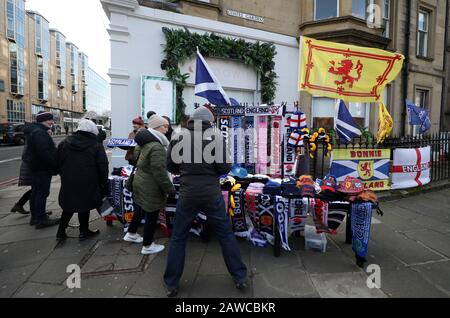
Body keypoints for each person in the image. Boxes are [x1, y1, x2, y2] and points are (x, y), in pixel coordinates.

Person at [163, 106, 248, 297]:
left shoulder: (178, 136)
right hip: (211, 192)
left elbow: (169, 165)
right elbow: (225, 167)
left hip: (188, 193)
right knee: (226, 235)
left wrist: (185, 171)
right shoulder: (215, 138)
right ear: (209, 122)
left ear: (192, 121)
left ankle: (171, 283)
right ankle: (239, 277)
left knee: (178, 237)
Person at [123, 115, 174, 255]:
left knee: (140, 208)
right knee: (152, 213)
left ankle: (131, 233)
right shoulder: (157, 146)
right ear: (157, 127)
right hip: (150, 185)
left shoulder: (143, 140)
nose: (167, 128)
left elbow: (135, 158)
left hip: (140, 180)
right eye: (165, 126)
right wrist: (169, 188)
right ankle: (148, 245)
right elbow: (159, 172)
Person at [56, 119, 109, 241]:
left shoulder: (64, 143)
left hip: (69, 179)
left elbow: (57, 162)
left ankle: (61, 231)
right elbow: (103, 166)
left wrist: (64, 174)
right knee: (84, 205)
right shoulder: (96, 145)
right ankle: (83, 231)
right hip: (89, 180)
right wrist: (103, 182)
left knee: (68, 205)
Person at [26, 111, 61, 228]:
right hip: (42, 168)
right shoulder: (40, 133)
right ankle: (41, 219)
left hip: (37, 167)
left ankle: (36, 216)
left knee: (36, 191)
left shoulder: (37, 131)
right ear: (44, 120)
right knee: (42, 192)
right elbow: (44, 152)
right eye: (50, 120)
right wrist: (54, 164)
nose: (52, 122)